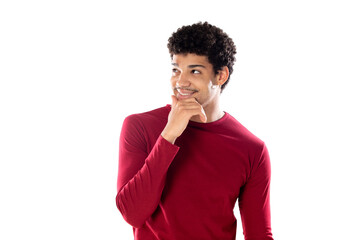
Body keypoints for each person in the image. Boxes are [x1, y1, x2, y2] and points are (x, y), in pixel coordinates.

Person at [116, 21, 274, 240]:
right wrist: (169, 135)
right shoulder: (140, 126)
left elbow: (259, 235)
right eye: (176, 70)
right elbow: (132, 214)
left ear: (221, 76)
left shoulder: (252, 149)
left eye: (195, 71)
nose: (181, 81)